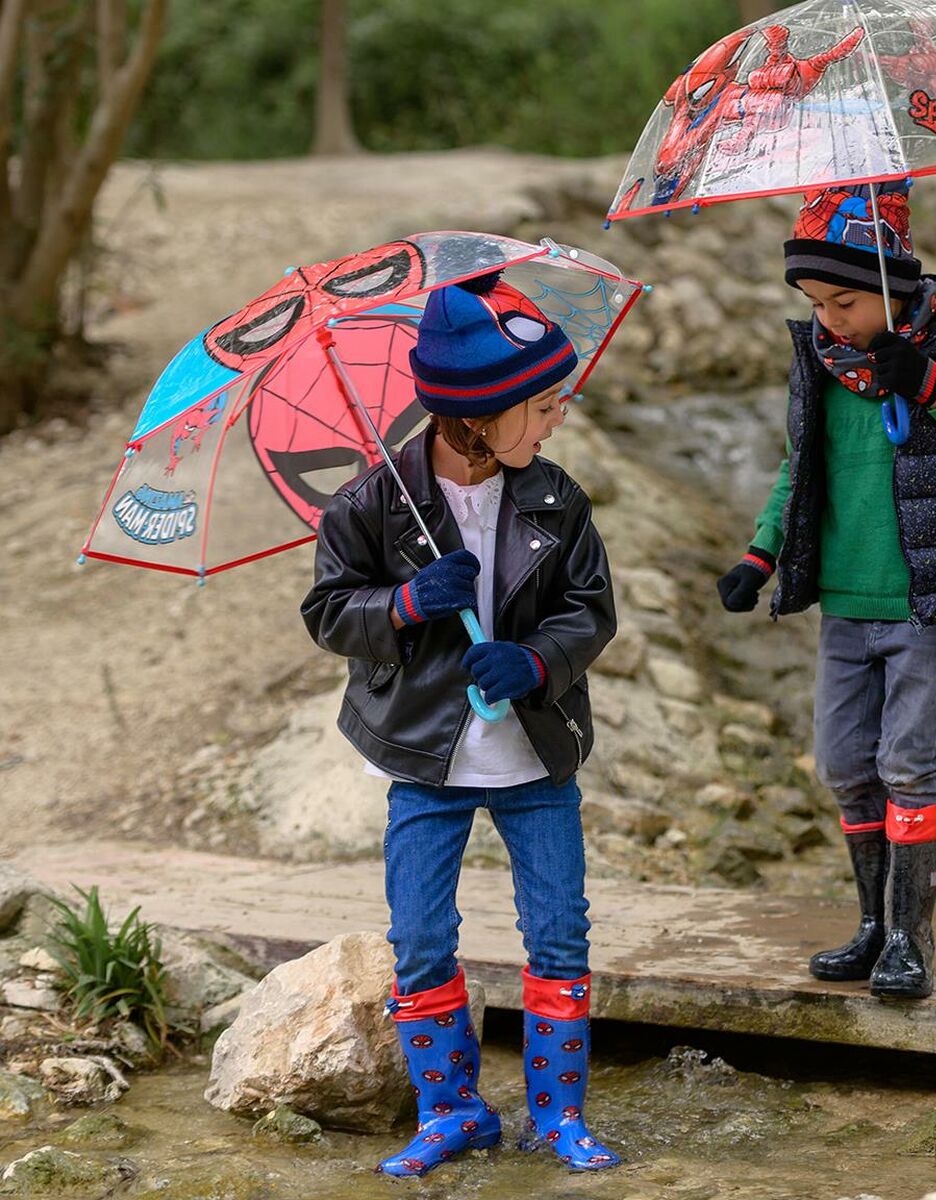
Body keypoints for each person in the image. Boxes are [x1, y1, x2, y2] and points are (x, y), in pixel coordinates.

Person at [301, 271, 621, 1176]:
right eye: (543, 404)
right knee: (420, 935)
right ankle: (453, 1110)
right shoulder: (372, 504)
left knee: (559, 929)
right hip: (424, 758)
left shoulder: (557, 497)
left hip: (535, 755)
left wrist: (534, 661)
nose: (556, 418)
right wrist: (402, 602)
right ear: (477, 415)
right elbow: (329, 612)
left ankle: (557, 1117)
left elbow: (588, 612)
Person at [717, 181, 936, 1000]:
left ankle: (911, 940)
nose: (829, 320)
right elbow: (799, 468)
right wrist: (760, 552)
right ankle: (870, 927)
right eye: (816, 303)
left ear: (891, 286)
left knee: (907, 763)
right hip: (844, 602)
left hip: (924, 600)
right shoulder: (821, 363)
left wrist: (928, 385)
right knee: (847, 763)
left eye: (844, 301)